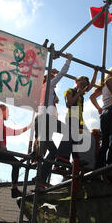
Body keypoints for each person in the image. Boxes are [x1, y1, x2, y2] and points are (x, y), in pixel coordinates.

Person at [34, 54, 72, 185]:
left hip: (39, 120)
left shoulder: (39, 89)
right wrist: (68, 60)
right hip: (46, 119)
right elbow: (62, 74)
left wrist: (49, 71)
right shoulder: (49, 85)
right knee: (69, 132)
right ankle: (62, 159)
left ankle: (41, 179)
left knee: (51, 151)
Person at [55, 69, 98, 169]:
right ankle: (60, 160)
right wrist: (78, 93)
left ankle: (76, 161)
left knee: (77, 140)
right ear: (76, 82)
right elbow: (69, 104)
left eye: (84, 85)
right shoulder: (70, 91)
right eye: (81, 83)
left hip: (79, 118)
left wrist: (95, 72)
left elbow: (91, 85)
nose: (83, 86)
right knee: (70, 137)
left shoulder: (82, 93)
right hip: (72, 116)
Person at [90, 65, 112, 169]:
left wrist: (99, 108)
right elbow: (109, 82)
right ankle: (111, 166)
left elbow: (92, 97)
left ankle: (99, 166)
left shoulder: (103, 86)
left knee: (105, 142)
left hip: (105, 113)